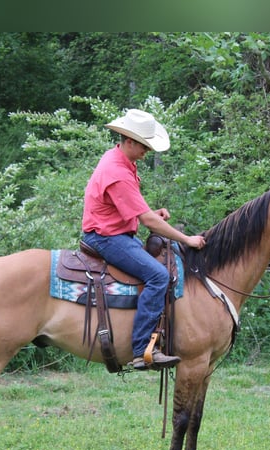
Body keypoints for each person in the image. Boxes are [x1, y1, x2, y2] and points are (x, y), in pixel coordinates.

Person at [82, 109, 206, 370]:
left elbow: (134, 210)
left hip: (114, 232)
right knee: (159, 276)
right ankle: (141, 349)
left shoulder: (119, 159)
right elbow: (147, 221)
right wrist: (187, 239)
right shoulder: (117, 171)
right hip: (106, 237)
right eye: (144, 146)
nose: (147, 152)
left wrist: (151, 213)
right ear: (129, 141)